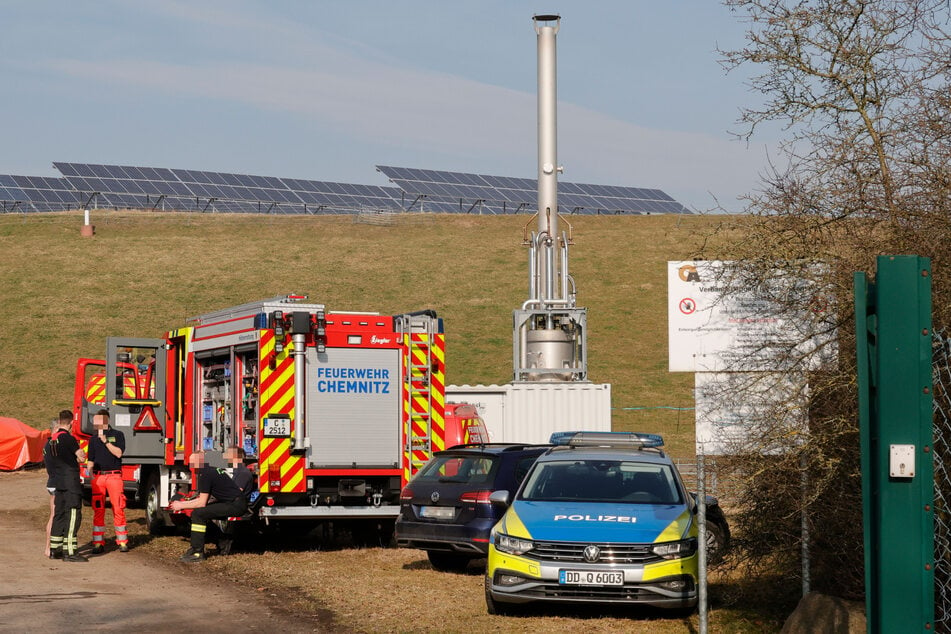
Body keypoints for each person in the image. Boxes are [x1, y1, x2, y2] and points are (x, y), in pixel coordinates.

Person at [169, 451, 248, 563]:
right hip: (236, 503)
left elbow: (201, 503)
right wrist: (186, 504)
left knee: (198, 514)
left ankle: (197, 552)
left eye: (192, 464)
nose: (191, 467)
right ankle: (223, 541)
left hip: (235, 505)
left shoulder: (206, 474)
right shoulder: (212, 469)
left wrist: (181, 505)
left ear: (199, 462)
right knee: (203, 513)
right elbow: (204, 499)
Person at [44, 409, 87, 562]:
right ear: (71, 422)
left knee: (59, 515)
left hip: (58, 482)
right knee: (73, 515)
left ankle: (55, 549)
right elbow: (81, 458)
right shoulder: (68, 439)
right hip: (70, 483)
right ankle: (70, 552)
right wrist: (81, 454)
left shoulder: (51, 440)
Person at [86, 408, 129, 553]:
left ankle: (122, 541)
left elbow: (118, 453)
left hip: (114, 476)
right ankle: (98, 542)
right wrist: (90, 474)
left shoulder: (118, 435)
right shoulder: (92, 439)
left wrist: (105, 442)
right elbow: (90, 459)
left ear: (106, 420)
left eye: (99, 420)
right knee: (98, 509)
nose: (96, 423)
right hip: (98, 477)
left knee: (118, 507)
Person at [217, 446, 257, 556]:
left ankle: (224, 545)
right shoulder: (236, 471)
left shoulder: (242, 473)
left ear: (234, 456)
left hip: (236, 504)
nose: (224, 457)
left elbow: (236, 492)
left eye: (227, 454)